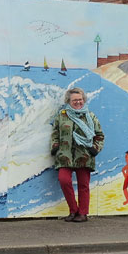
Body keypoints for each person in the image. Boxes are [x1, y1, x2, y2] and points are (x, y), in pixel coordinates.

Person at [51, 88, 104, 223]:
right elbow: (55, 133)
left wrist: (95, 149)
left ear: (84, 100)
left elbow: (99, 135)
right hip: (65, 155)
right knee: (64, 180)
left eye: (80, 99)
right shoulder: (62, 116)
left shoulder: (90, 116)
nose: (78, 102)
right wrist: (55, 146)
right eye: (75, 100)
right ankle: (73, 210)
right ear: (68, 101)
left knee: (83, 185)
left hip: (84, 156)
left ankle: (83, 213)